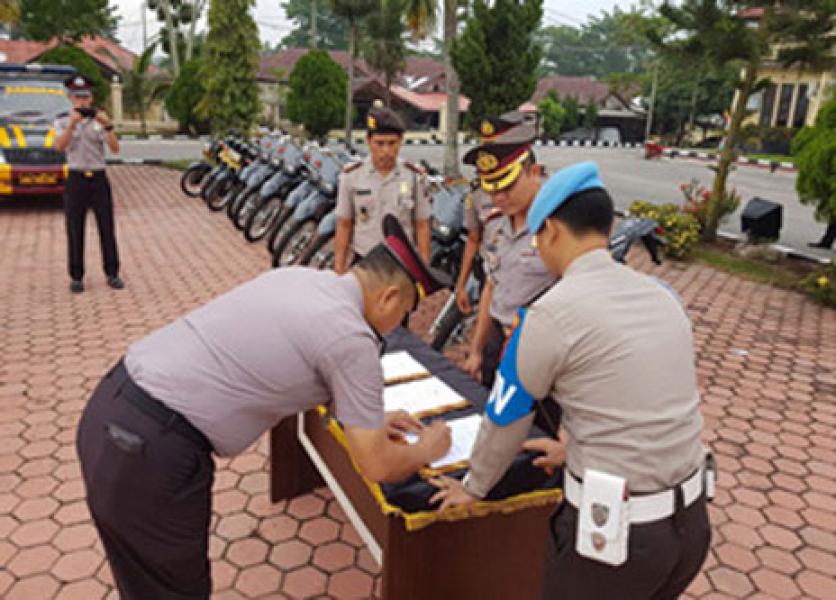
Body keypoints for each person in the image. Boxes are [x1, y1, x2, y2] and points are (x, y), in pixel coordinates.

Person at [76, 216, 452, 600]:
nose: (397, 325)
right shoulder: (350, 336)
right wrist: (428, 447)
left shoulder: (300, 278)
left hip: (112, 407)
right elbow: (377, 465)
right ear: (388, 296)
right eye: (403, 311)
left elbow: (290, 358)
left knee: (143, 583)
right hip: (151, 452)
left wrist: (370, 421)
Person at [431, 162, 712, 599]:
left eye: (537, 236)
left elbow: (505, 416)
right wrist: (572, 449)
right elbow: (644, 400)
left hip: (615, 541)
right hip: (691, 527)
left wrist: (473, 488)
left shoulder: (549, 313)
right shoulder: (663, 296)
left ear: (554, 232)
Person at [459, 114, 555, 387]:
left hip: (540, 352)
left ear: (533, 173)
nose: (499, 197)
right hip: (498, 341)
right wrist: (477, 350)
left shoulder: (558, 225)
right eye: (492, 189)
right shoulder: (496, 222)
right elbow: (492, 287)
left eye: (508, 186)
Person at [334, 103, 431, 274]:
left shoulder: (414, 177)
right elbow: (344, 225)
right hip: (365, 261)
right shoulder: (352, 176)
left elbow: (422, 226)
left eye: (392, 143)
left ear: (400, 142)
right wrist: (338, 270)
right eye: (380, 143)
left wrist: (424, 271)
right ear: (368, 141)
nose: (386, 151)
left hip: (402, 264)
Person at [54, 73, 123, 293]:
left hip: (99, 178)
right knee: (75, 228)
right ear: (70, 98)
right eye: (77, 97)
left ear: (91, 98)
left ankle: (112, 273)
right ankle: (76, 276)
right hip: (76, 179)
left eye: (85, 97)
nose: (81, 101)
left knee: (106, 227)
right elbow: (59, 147)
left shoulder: (99, 120)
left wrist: (108, 126)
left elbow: (114, 148)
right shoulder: (62, 120)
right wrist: (71, 126)